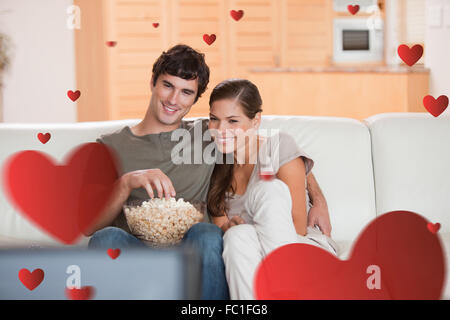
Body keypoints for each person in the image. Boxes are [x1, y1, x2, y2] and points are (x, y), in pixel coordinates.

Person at [85, 44, 331, 300]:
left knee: (208, 233)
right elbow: (89, 226)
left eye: (186, 92)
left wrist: (317, 198)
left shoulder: (209, 133)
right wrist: (126, 183)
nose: (173, 100)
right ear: (152, 83)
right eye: (167, 85)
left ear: (195, 99)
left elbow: (271, 146)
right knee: (106, 237)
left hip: (194, 253)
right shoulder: (109, 146)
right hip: (137, 254)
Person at [206, 79, 338, 300]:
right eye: (214, 119)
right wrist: (231, 228)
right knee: (237, 235)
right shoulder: (214, 167)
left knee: (270, 189)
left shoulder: (279, 146)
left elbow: (297, 228)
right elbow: (223, 230)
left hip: (300, 249)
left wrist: (318, 199)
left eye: (232, 121)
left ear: (256, 121)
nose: (221, 130)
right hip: (249, 257)